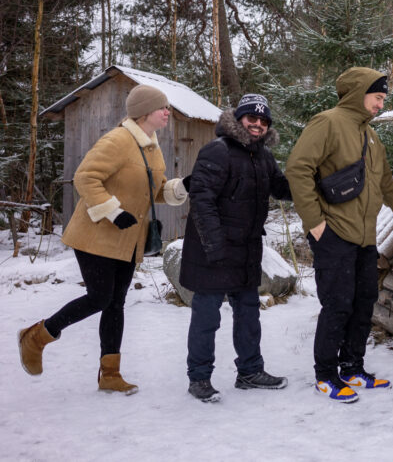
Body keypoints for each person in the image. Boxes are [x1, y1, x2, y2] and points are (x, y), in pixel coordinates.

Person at [17, 84, 187, 394]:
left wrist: (182, 187)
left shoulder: (152, 145)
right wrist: (113, 210)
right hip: (95, 235)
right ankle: (38, 335)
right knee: (100, 297)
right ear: (146, 112)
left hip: (127, 239)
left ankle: (110, 374)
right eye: (163, 108)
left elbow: (155, 190)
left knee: (116, 304)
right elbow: (85, 177)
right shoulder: (118, 140)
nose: (167, 112)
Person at [286, 67, 393, 404]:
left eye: (383, 98)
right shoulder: (328, 123)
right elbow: (298, 169)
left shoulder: (370, 135)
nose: (381, 104)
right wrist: (315, 223)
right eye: (378, 97)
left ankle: (352, 367)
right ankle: (325, 375)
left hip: (364, 237)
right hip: (334, 233)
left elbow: (384, 184)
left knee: (363, 303)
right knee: (337, 305)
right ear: (358, 92)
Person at [179, 93, 293, 403]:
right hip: (212, 250)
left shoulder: (264, 156)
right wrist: (215, 247)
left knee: (248, 313)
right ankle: (199, 378)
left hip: (246, 249)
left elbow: (282, 188)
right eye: (251, 119)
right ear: (239, 120)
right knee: (207, 317)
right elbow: (201, 201)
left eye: (263, 120)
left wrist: (310, 176)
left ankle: (250, 371)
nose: (257, 124)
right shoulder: (217, 151)